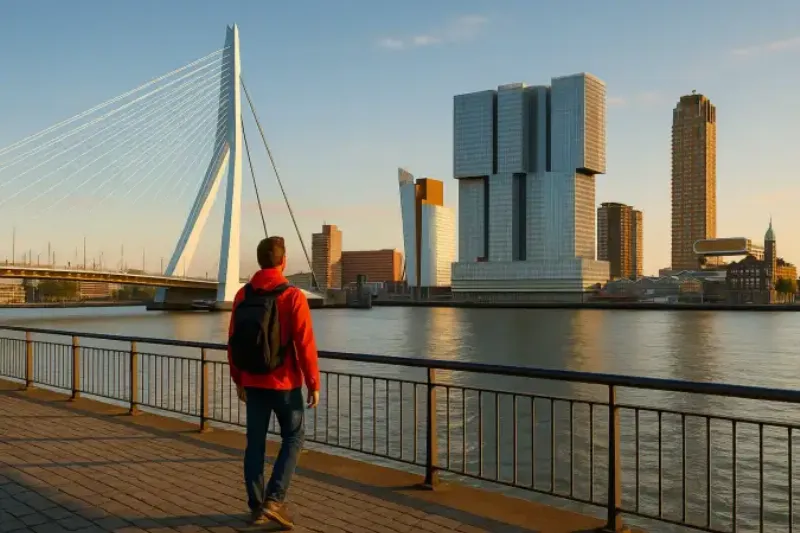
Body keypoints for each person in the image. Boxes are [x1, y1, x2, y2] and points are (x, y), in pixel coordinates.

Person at [227, 236, 320, 529]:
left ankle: (256, 506)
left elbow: (232, 343)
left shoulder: (243, 295)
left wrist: (238, 379)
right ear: (283, 261)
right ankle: (275, 500)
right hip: (284, 384)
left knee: (254, 444)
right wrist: (313, 382)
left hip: (252, 382)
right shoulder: (292, 296)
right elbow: (305, 343)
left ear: (259, 261)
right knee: (293, 438)